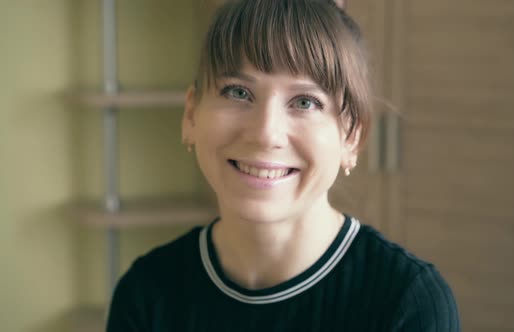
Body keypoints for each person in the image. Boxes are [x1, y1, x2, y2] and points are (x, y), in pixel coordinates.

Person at [106, 0, 460, 331]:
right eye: (237, 92)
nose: (266, 133)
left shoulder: (406, 301)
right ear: (191, 115)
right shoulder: (146, 291)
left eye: (305, 101)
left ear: (351, 136)